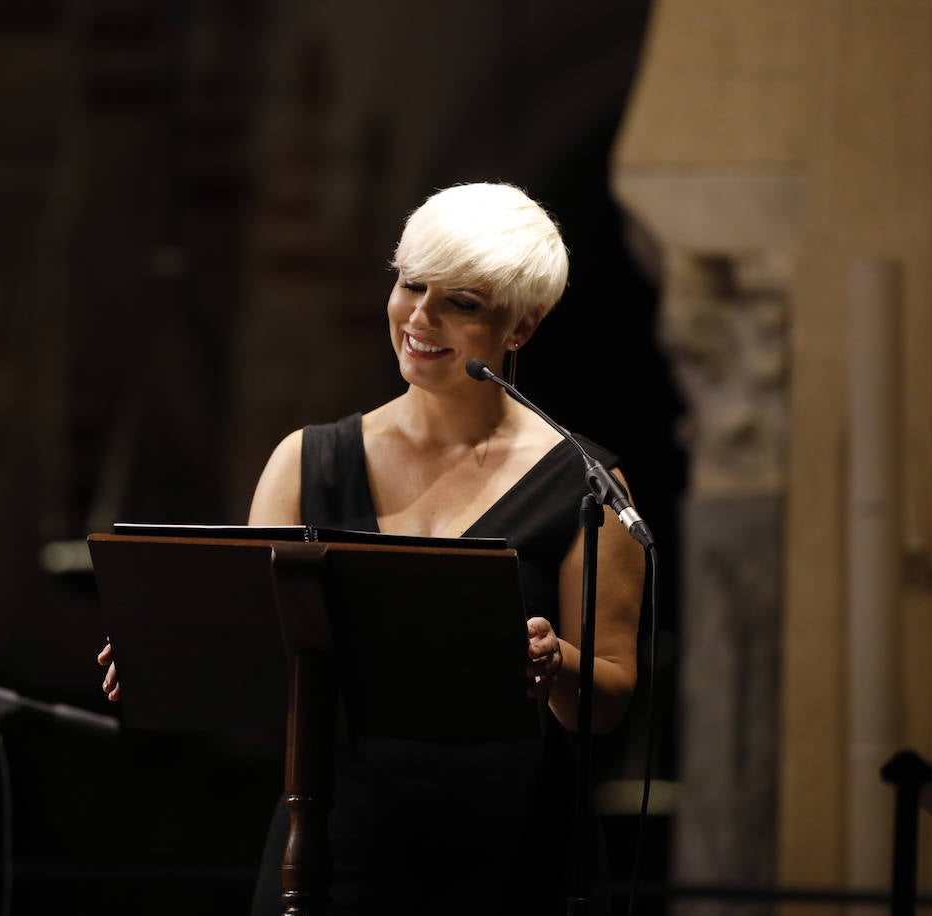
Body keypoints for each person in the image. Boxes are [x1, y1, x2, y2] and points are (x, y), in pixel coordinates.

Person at [99, 182, 645, 914]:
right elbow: (268, 670)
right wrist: (173, 655)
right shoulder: (305, 462)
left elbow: (608, 699)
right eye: (411, 284)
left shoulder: (587, 484)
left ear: (522, 326)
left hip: (515, 855)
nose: (420, 317)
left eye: (462, 302)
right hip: (332, 848)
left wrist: (554, 663)